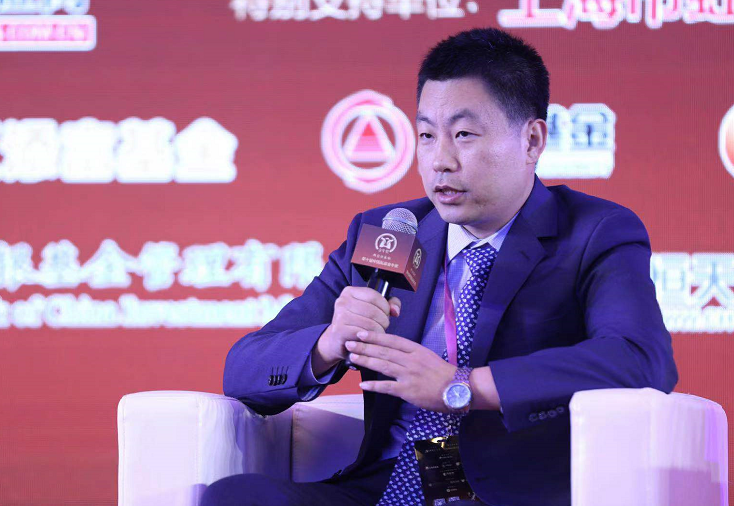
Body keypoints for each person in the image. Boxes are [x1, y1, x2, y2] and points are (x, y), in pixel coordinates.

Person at [201, 27, 678, 506]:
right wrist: (328, 343)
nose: (440, 161)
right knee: (238, 496)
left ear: (532, 140)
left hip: (503, 494)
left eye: (464, 135)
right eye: (427, 135)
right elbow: (243, 370)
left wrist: (464, 386)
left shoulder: (592, 232)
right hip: (387, 486)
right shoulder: (391, 233)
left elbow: (640, 358)